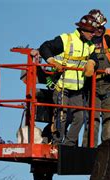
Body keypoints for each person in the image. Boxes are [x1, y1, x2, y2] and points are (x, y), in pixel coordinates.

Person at [39, 15, 99, 146]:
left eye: (94, 32)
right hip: (62, 87)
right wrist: (52, 61)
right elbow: (44, 47)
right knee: (61, 117)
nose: (93, 35)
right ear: (82, 30)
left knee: (80, 117)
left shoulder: (90, 45)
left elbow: (95, 59)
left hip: (77, 90)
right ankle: (56, 143)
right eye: (91, 32)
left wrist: (91, 62)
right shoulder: (66, 39)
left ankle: (69, 144)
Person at [82, 9, 110, 147]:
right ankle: (88, 150)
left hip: (109, 84)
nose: (99, 30)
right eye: (97, 27)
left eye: (101, 27)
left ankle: (108, 150)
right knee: (92, 120)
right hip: (92, 86)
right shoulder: (86, 38)